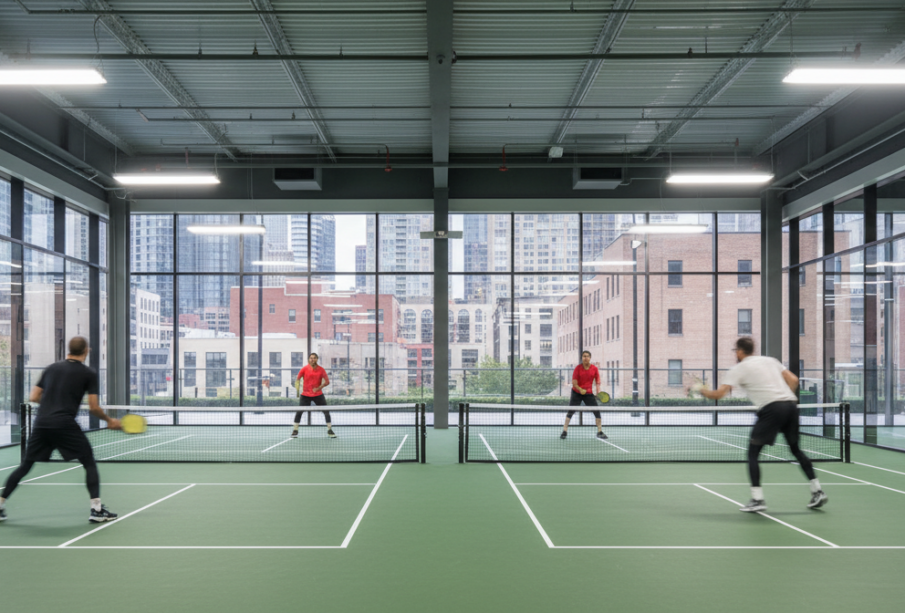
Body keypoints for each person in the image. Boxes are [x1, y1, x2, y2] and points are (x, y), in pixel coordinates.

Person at [692, 337, 827, 512]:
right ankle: (817, 491)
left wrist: (701, 390)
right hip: (791, 406)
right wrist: (784, 399)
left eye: (736, 351)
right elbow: (793, 380)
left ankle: (757, 499)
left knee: (753, 453)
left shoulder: (738, 369)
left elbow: (719, 394)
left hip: (772, 409)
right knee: (796, 450)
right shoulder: (771, 361)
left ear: (739, 351)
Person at [0, 337, 121, 524]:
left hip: (42, 422)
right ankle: (96, 510)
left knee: (25, 465)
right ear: (86, 351)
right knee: (88, 461)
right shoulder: (88, 373)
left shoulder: (51, 368)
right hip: (64, 423)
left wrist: (51, 406)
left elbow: (33, 396)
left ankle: (0, 504)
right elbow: (94, 407)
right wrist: (109, 420)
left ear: (69, 350)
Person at [561, 351, 607, 440]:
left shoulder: (594, 369)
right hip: (576, 392)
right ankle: (564, 430)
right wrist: (580, 389)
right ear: (582, 358)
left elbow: (597, 382)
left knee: (597, 412)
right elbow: (574, 383)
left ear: (590, 358)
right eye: (584, 356)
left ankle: (600, 431)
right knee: (571, 411)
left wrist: (598, 391)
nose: (585, 358)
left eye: (587, 356)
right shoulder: (577, 368)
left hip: (588, 393)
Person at [291, 353, 335, 439]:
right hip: (305, 395)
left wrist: (319, 388)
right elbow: (297, 379)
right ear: (308, 359)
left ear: (317, 359)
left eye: (314, 358)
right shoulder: (304, 369)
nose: (312, 359)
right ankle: (295, 430)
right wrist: (297, 390)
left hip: (318, 395)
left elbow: (327, 382)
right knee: (299, 412)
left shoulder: (321, 370)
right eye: (311, 358)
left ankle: (330, 430)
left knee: (326, 412)